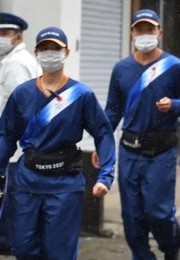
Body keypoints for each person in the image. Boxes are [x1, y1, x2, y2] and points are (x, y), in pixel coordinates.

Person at [0, 26, 116, 259]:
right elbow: (6, 135)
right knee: (23, 248)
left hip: (64, 184)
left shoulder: (81, 95)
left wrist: (105, 175)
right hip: (27, 181)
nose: (50, 53)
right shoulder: (22, 93)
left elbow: (103, 133)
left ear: (67, 53)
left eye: (55, 48)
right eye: (44, 48)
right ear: (36, 52)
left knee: (58, 252)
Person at [105, 9, 180, 260]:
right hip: (130, 150)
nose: (144, 34)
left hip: (161, 151)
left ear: (160, 33)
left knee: (158, 212)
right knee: (132, 216)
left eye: (150, 29)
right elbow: (112, 111)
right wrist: (102, 146)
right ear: (132, 33)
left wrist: (174, 105)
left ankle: (171, 246)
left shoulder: (173, 66)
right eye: (139, 29)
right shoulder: (121, 68)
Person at [0, 12, 40, 254]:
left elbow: (17, 110)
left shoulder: (16, 64)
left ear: (18, 36)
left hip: (13, 144)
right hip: (20, 144)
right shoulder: (17, 59)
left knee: (11, 197)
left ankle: (8, 244)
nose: (1, 38)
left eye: (5, 33)